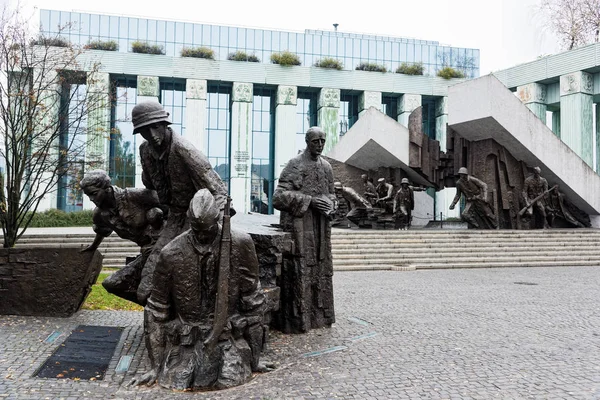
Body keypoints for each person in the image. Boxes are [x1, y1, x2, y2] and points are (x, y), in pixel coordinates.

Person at [131, 189, 268, 390]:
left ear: (218, 219)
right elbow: (156, 311)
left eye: (208, 229)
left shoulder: (241, 243)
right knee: (178, 381)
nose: (202, 235)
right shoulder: (170, 254)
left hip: (228, 340)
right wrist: (155, 366)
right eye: (197, 229)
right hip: (186, 343)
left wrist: (256, 358)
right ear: (189, 222)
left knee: (228, 378)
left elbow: (252, 301)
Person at [132, 101, 229, 304]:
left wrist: (210, 227)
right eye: (144, 131)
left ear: (165, 124)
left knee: (184, 266)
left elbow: (219, 192)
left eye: (155, 127)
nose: (152, 135)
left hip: (196, 218)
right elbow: (149, 183)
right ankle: (160, 309)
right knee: (148, 279)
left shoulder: (185, 150)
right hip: (174, 215)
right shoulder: (146, 151)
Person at [272, 126, 336, 333]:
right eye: (315, 141)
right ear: (307, 142)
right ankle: (300, 321)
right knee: (301, 272)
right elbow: (278, 197)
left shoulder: (327, 167)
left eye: (322, 141)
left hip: (320, 229)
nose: (319, 145)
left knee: (321, 271)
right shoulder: (295, 164)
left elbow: (333, 194)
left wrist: (330, 204)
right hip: (301, 230)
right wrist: (310, 201)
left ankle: (321, 317)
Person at [80, 170, 163, 304]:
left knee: (145, 291)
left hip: (165, 246)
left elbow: (173, 208)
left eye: (94, 194)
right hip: (146, 252)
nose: (91, 199)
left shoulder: (135, 196)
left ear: (106, 188)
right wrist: (93, 246)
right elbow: (102, 231)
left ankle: (160, 311)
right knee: (112, 284)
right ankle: (158, 308)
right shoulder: (100, 215)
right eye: (88, 195)